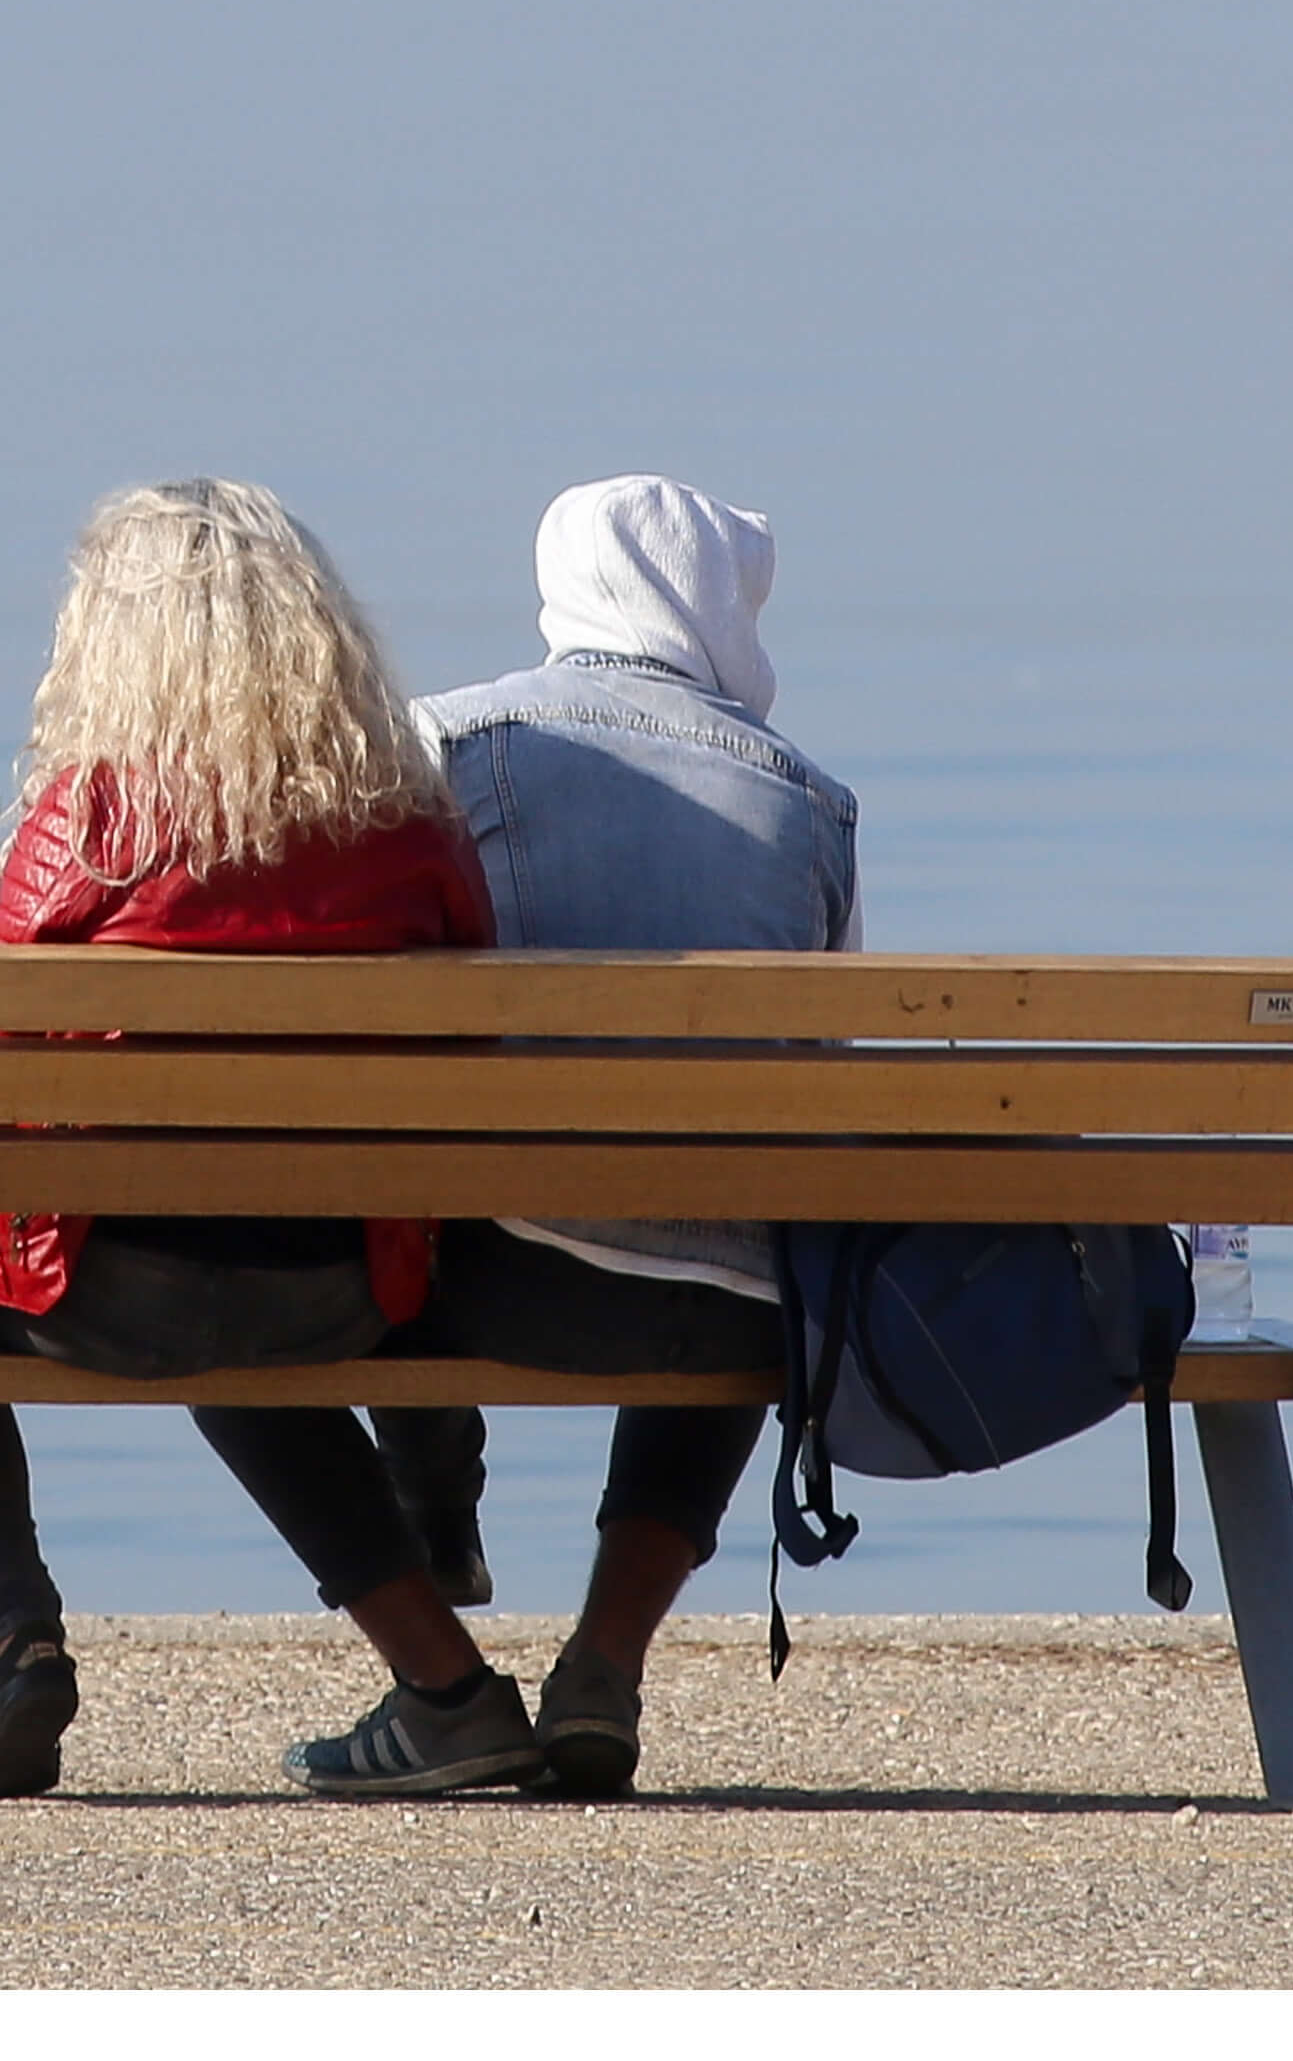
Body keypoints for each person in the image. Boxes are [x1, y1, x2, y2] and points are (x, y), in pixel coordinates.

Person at [0, 477, 506, 1799]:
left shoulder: (89, 827)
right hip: (335, 1294)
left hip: (101, 1295)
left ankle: (19, 1640)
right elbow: (462, 1073)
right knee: (239, 1308)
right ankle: (448, 1685)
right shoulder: (411, 832)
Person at [329, 473, 862, 1797]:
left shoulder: (448, 739)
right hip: (724, 1321)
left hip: (474, 1286)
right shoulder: (812, 803)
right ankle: (604, 1665)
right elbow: (828, 1077)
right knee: (745, 1242)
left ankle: (438, 1555)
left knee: (409, 1158)